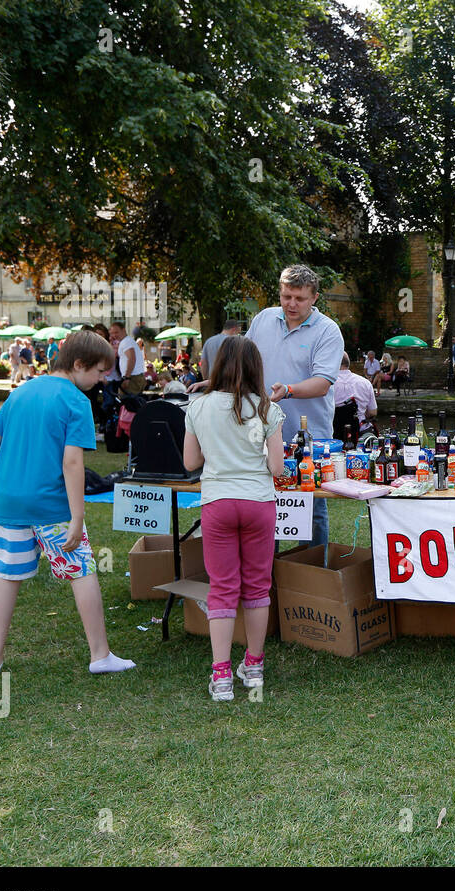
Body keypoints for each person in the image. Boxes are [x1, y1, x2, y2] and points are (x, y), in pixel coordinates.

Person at [0, 330, 135, 677]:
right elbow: (71, 463)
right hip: (53, 506)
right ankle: (100, 654)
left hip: (10, 504)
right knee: (82, 571)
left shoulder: (20, 393)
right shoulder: (75, 402)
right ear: (78, 365)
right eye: (101, 371)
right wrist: (78, 516)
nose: (104, 379)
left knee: (5, 576)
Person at [182, 336, 285, 701]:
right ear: (256, 367)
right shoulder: (267, 409)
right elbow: (277, 467)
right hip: (257, 502)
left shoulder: (198, 406)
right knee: (257, 587)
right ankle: (253, 666)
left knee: (222, 588)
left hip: (218, 501)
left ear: (217, 365)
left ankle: (221, 676)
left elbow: (190, 463)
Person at [243, 264, 344, 548]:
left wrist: (288, 390)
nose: (291, 304)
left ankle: (310, 576)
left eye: (299, 298)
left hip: (309, 437)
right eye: (287, 296)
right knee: (265, 506)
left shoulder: (327, 330)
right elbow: (243, 361)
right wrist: (216, 381)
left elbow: (323, 382)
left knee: (311, 509)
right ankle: (270, 575)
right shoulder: (263, 319)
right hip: (262, 432)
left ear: (314, 298)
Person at [332, 351, 378, 434]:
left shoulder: (327, 384)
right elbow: (372, 413)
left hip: (334, 432)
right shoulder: (365, 383)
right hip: (359, 432)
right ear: (348, 363)